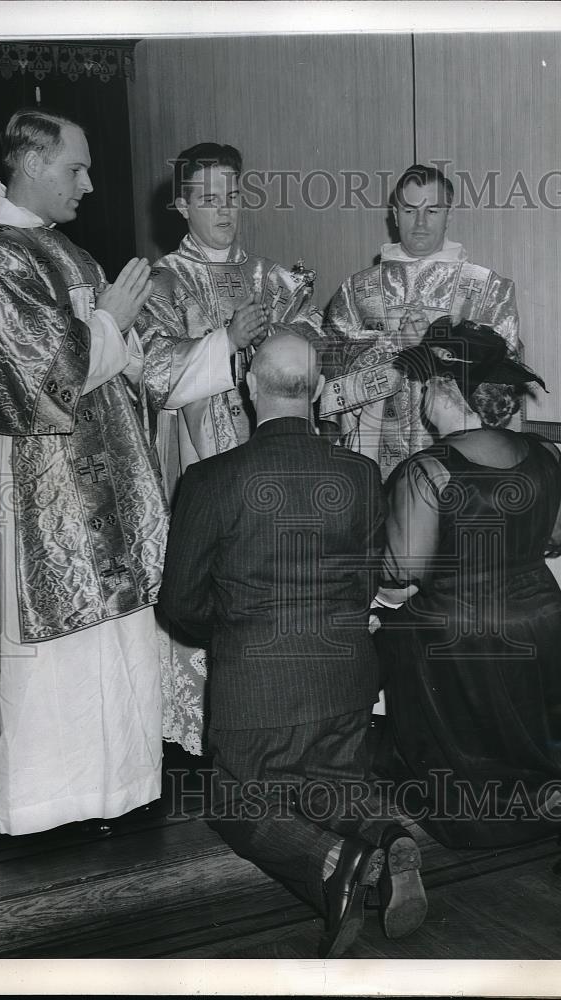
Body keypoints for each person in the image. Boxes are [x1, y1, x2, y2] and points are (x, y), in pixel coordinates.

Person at [158, 333, 427, 958]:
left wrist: (233, 634)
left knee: (232, 797)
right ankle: (388, 835)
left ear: (251, 387)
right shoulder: (360, 475)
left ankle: (335, 861)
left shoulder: (211, 479)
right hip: (346, 674)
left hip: (255, 684)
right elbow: (364, 582)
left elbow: (179, 605)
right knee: (324, 780)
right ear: (314, 392)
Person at [0, 108, 170, 836]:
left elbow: (115, 369)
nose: (89, 182)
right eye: (75, 168)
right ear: (32, 164)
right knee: (58, 647)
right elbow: (45, 387)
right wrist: (108, 322)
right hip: (37, 488)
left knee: (116, 638)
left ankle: (120, 787)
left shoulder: (69, 254)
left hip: (101, 478)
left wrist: (128, 337)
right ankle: (52, 801)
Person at [373, 317, 561, 872]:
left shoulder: (428, 470)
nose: (419, 395)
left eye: (425, 384)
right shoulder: (545, 454)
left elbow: (402, 570)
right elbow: (558, 537)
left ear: (447, 392)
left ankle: (474, 820)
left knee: (386, 636)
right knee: (550, 736)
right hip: (541, 621)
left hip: (458, 632)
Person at [141, 143, 324, 755]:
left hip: (274, 451)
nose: (224, 210)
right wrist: (224, 342)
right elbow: (152, 373)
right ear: (182, 204)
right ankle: (209, 723)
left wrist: (287, 335)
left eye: (233, 196)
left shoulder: (275, 278)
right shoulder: (162, 280)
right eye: (209, 198)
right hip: (200, 459)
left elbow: (312, 351)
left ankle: (284, 708)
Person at [323, 164, 520, 481]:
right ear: (395, 214)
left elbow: (504, 389)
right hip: (377, 459)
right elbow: (333, 383)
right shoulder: (357, 292)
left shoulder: (488, 290)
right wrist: (395, 347)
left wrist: (434, 348)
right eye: (410, 210)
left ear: (449, 215)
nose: (420, 222)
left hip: (464, 468)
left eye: (433, 210)